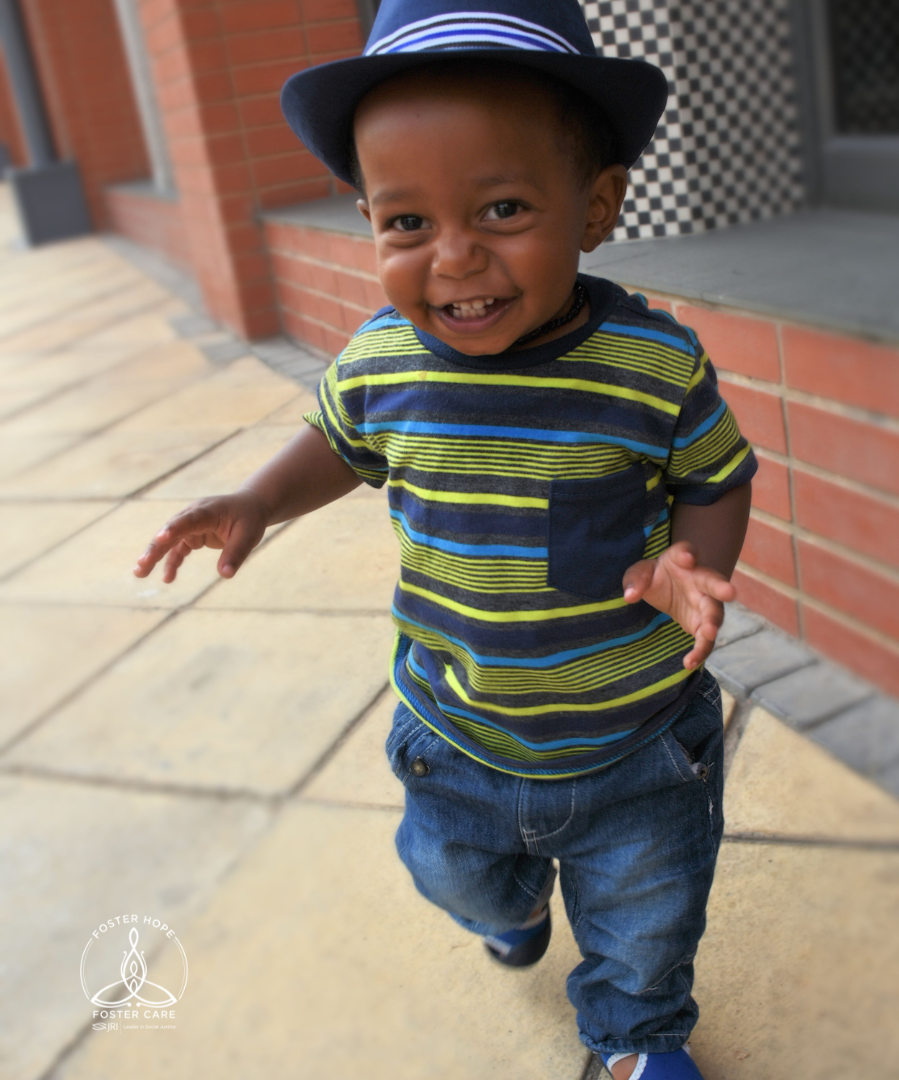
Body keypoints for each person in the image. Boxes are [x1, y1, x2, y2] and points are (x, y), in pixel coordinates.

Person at [134, 2, 756, 1077]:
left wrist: (692, 558)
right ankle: (503, 903)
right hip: (457, 732)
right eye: (407, 224)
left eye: (503, 207)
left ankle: (634, 1040)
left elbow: (718, 473)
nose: (455, 259)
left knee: (646, 924)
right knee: (455, 875)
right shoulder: (385, 360)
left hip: (637, 737)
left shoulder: (652, 365)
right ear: (367, 221)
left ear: (597, 204)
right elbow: (338, 440)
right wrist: (257, 500)